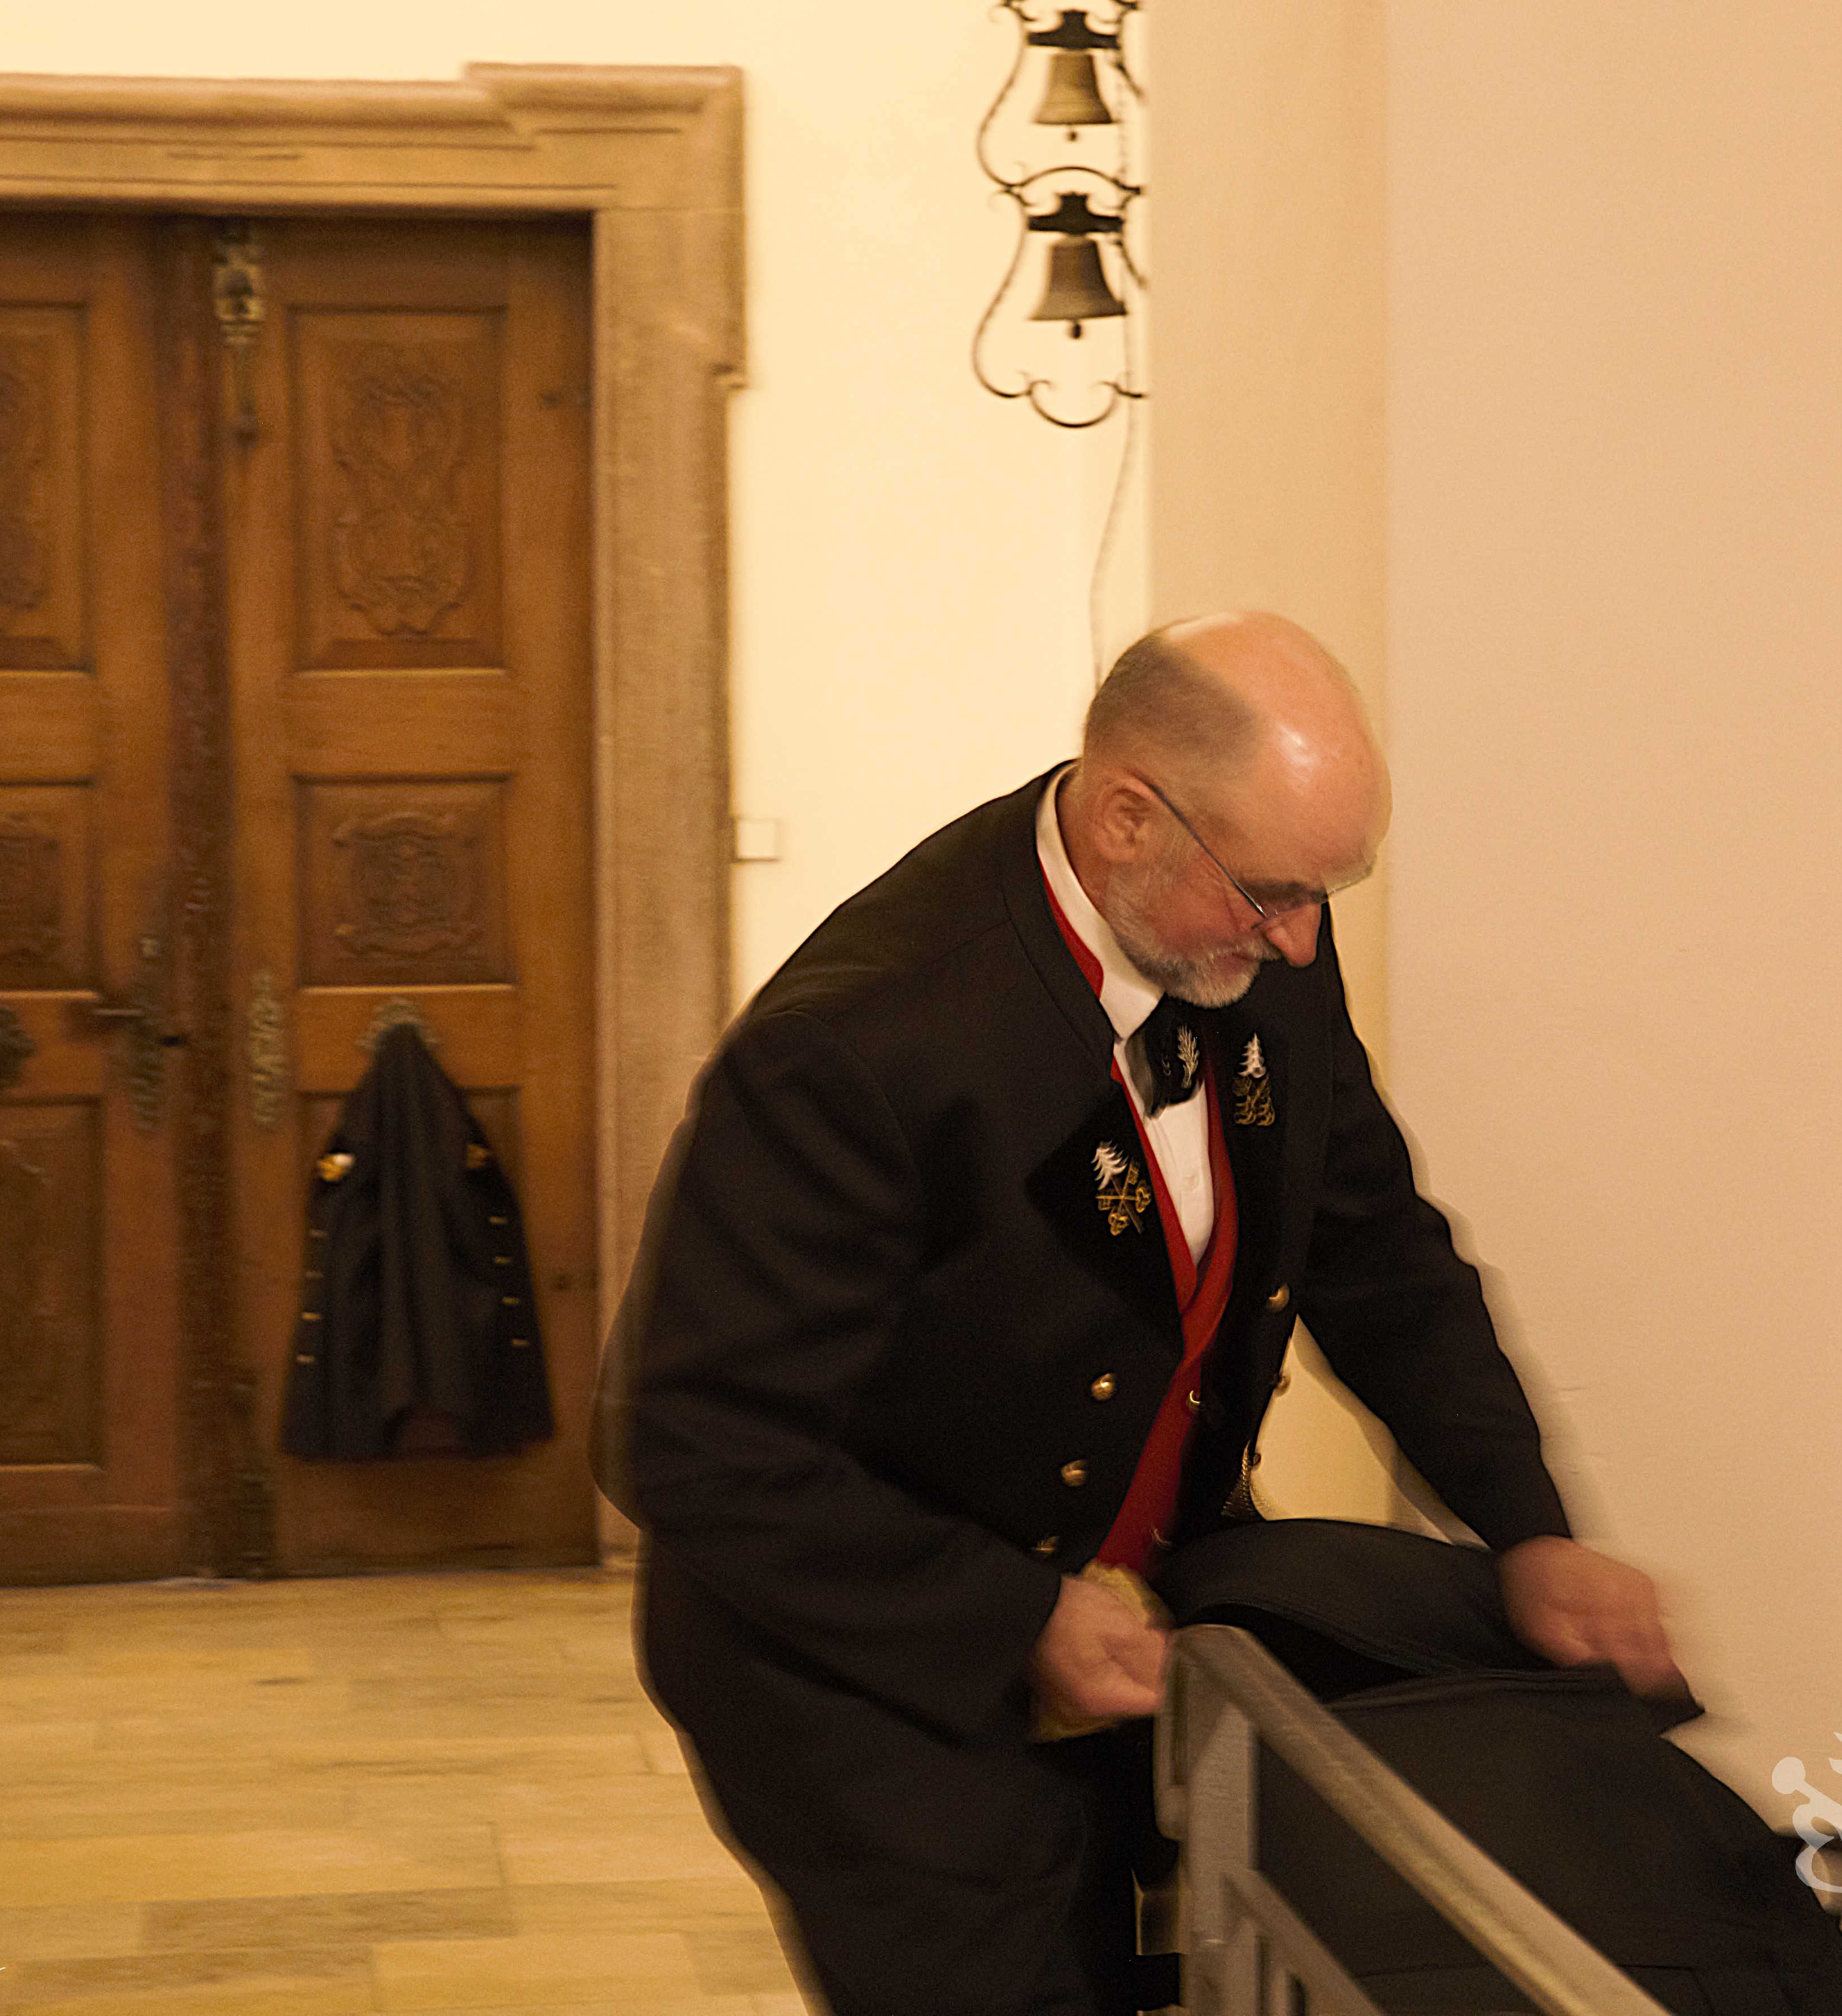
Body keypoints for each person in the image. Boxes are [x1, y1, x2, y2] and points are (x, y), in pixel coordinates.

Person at [604, 612, 1681, 2016]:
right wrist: (1015, 1615)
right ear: (1127, 819)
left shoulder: (1257, 942)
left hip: (1120, 1604)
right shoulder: (857, 1042)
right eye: (1272, 894)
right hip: (859, 1662)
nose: (1300, 941)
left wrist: (1527, 1525)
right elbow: (689, 1446)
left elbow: (1377, 1255)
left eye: (1328, 893)